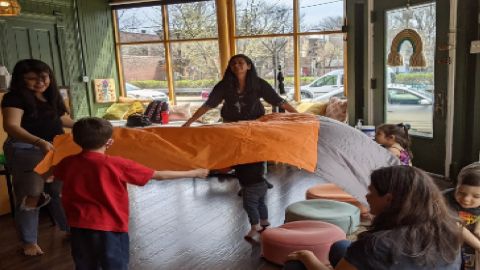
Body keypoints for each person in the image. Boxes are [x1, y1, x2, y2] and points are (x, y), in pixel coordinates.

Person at [49, 117, 209, 270]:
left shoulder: (68, 162)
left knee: (85, 265)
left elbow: (51, 175)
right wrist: (194, 173)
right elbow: (158, 175)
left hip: (78, 225)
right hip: (110, 226)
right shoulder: (117, 164)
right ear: (109, 142)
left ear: (75, 140)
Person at [182, 54, 297, 239]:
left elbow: (278, 101)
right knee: (237, 157)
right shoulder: (224, 85)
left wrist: (297, 114)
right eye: (233, 63)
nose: (237, 66)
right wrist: (189, 121)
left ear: (249, 66)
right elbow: (208, 104)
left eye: (241, 63)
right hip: (232, 126)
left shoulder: (258, 83)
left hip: (255, 126)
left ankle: (258, 182)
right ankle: (250, 185)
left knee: (256, 155)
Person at [284, 165, 462, 270]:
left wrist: (307, 257)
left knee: (296, 265)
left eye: (371, 192)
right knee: (341, 246)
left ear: (389, 199)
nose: (367, 197)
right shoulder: (448, 230)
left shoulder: (377, 244)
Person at [2, 59, 74, 256]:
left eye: (43, 77)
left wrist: (84, 125)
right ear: (20, 80)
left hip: (53, 148)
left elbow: (60, 119)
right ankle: (29, 242)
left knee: (57, 191)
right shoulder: (14, 97)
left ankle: (69, 229)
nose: (40, 82)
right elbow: (12, 126)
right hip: (25, 148)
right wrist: (39, 142)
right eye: (32, 79)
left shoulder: (50, 95)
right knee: (31, 194)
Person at [444, 162, 480, 270]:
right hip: (450, 244)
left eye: (476, 196)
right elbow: (458, 228)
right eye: (461, 192)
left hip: (471, 250)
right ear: (457, 185)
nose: (466, 199)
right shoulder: (444, 200)